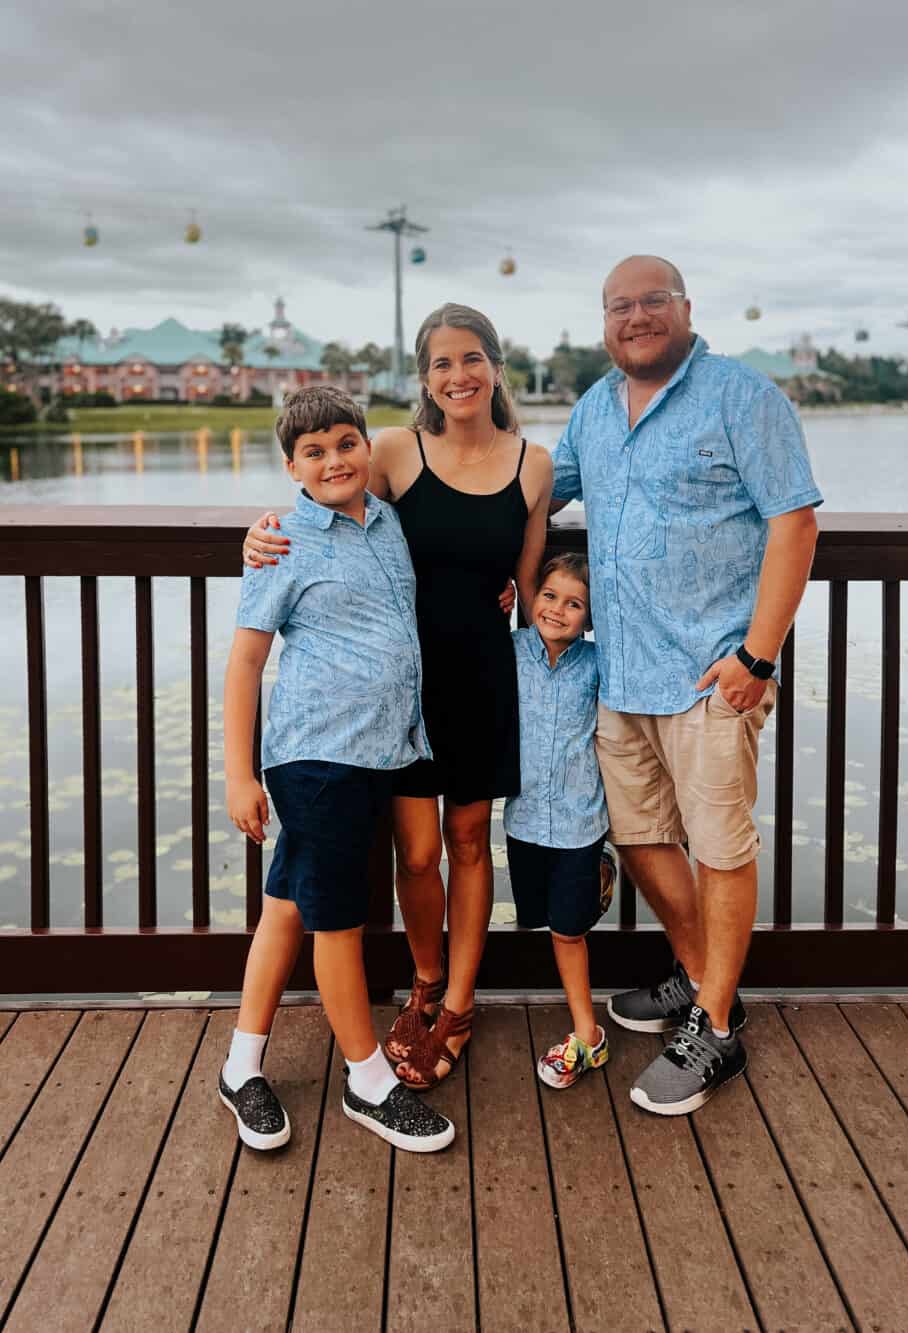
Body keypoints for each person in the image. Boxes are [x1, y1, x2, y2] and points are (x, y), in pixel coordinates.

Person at [241, 305, 553, 1091]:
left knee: (471, 840)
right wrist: (259, 532)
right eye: (443, 363)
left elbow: (528, 579)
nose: (460, 375)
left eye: (473, 358)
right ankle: (422, 977)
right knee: (416, 850)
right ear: (424, 378)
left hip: (481, 672)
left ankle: (457, 1001)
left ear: (497, 366)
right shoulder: (391, 451)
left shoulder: (535, 464)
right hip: (401, 690)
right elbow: (326, 508)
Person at [550, 255, 822, 1115]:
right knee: (638, 838)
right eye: (619, 306)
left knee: (719, 845)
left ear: (685, 308)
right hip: (620, 671)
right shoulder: (593, 408)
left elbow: (795, 520)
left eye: (651, 302)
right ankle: (707, 980)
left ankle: (712, 1029)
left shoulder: (743, 396)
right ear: (604, 322)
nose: (636, 317)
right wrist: (374, 489)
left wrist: (758, 655)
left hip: (713, 672)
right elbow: (525, 492)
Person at [220, 385, 454, 1153]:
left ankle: (241, 1063)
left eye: (345, 443)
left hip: (383, 746)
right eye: (313, 452)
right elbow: (247, 659)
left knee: (290, 901)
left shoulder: (387, 520)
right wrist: (238, 772)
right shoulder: (285, 537)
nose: (333, 460)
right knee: (339, 917)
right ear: (292, 466)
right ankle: (367, 1081)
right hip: (317, 754)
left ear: (366, 447)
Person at [504, 552, 614, 1089]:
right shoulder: (509, 651)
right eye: (549, 596)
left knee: (569, 931)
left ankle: (588, 1034)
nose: (557, 610)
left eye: (575, 604)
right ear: (531, 597)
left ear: (591, 618)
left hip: (578, 823)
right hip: (522, 820)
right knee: (539, 917)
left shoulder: (599, 662)